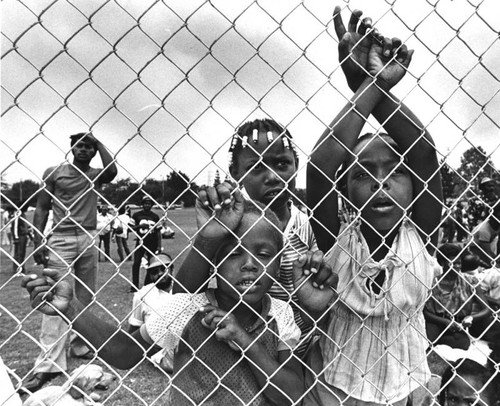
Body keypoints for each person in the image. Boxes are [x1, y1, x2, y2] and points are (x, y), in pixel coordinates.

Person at [21, 197, 326, 405]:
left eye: (263, 254)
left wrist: (245, 340)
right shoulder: (188, 308)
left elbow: (291, 393)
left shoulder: (280, 314)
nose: (249, 264)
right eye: (233, 253)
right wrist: (71, 308)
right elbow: (125, 353)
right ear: (214, 262)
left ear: (278, 262)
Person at [305, 7, 443, 405]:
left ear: (415, 184)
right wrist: (368, 87)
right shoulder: (337, 239)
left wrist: (368, 86)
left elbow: (423, 149)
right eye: (363, 174)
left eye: (394, 171)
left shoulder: (422, 235)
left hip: (410, 385)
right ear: (345, 191)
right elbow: (319, 165)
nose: (380, 182)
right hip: (339, 387)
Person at [175, 117, 318, 357]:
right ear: (235, 173)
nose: (272, 176)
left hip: (295, 351)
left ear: (296, 165)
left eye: (282, 163)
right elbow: (182, 297)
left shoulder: (308, 225)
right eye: (257, 167)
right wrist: (208, 241)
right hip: (233, 349)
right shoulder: (228, 224)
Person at [22, 132, 117, 393]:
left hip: (88, 236)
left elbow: (112, 171)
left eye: (89, 147)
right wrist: (39, 240)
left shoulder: (95, 174)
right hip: (61, 237)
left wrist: (100, 143)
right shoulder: (55, 172)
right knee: (55, 297)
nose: (84, 150)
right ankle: (48, 365)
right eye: (80, 146)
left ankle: (79, 344)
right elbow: (42, 207)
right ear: (72, 148)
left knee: (85, 296)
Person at [424, 244, 491, 350]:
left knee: (461, 344)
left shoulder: (470, 281)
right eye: (452, 263)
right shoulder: (432, 283)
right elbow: (424, 311)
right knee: (429, 337)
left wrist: (471, 317)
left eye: (459, 263)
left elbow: (487, 309)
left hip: (459, 323)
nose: (457, 267)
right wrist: (445, 322)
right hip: (438, 322)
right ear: (442, 263)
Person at [128, 252, 175, 373]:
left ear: (171, 269)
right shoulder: (143, 295)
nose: (160, 274)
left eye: (163, 269)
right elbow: (134, 328)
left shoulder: (185, 290)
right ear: (149, 274)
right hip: (157, 347)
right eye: (154, 271)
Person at [129, 196, 162, 292]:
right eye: (145, 203)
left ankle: (147, 284)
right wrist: (140, 226)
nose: (147, 205)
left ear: (151, 205)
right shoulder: (136, 215)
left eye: (149, 203)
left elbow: (158, 232)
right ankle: (134, 285)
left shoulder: (155, 216)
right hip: (140, 242)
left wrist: (159, 245)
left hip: (152, 243)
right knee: (136, 263)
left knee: (151, 264)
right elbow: (130, 228)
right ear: (142, 204)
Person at [470, 203, 500, 267]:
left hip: (489, 242)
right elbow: (486, 251)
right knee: (488, 264)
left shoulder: (497, 224)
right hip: (476, 247)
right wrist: (494, 261)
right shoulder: (484, 230)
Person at [11, 203, 31, 274]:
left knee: (22, 253)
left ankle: (22, 268)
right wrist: (16, 237)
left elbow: (26, 226)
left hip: (24, 235)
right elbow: (15, 227)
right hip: (20, 236)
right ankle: (17, 269)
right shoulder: (17, 215)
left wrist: (29, 235)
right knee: (18, 253)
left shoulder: (23, 215)